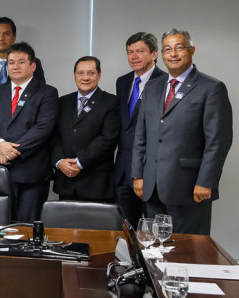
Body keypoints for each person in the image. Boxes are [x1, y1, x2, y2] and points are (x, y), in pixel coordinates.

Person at [132, 29, 232, 235]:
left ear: (192, 50)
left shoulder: (211, 87)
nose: (173, 54)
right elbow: (141, 136)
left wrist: (206, 181)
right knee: (154, 251)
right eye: (167, 49)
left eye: (179, 47)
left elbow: (218, 141)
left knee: (188, 251)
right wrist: (138, 175)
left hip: (189, 188)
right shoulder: (152, 87)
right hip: (152, 187)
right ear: (161, 54)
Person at [0, 42, 58, 223]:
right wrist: (0, 145)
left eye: (21, 62)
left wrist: (10, 152)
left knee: (26, 229)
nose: (15, 66)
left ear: (33, 66)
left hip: (31, 172)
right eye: (11, 62)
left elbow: (42, 128)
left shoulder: (47, 93)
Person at [51, 56, 119, 202]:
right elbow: (53, 136)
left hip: (96, 182)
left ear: (99, 75)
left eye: (91, 73)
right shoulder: (63, 102)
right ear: (74, 75)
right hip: (66, 181)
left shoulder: (111, 102)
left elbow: (108, 139)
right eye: (80, 73)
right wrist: (59, 161)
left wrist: (79, 162)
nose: (85, 77)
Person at [114, 32, 164, 225]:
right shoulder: (123, 81)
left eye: (140, 51)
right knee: (125, 232)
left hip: (151, 171)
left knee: (154, 232)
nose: (134, 56)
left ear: (154, 54)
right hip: (123, 170)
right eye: (130, 52)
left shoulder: (165, 82)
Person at [0, 17, 45, 84]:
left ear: (14, 36)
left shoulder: (31, 63)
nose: (1, 38)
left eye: (6, 34)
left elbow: (41, 92)